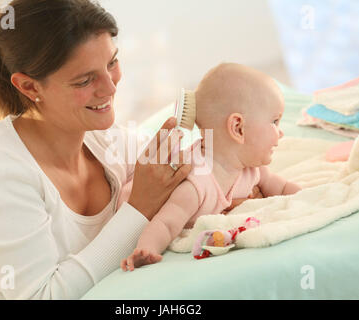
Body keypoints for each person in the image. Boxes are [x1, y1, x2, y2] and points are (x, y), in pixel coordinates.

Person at [0, 0, 195, 299]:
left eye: (112, 63)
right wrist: (140, 208)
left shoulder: (106, 141)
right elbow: (42, 296)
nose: (110, 88)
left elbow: (191, 180)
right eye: (85, 80)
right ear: (30, 87)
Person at [121, 63, 302, 271]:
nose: (281, 133)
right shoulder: (195, 183)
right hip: (131, 207)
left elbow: (283, 189)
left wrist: (312, 197)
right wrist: (146, 249)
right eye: (275, 121)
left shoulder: (252, 167)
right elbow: (165, 224)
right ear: (238, 128)